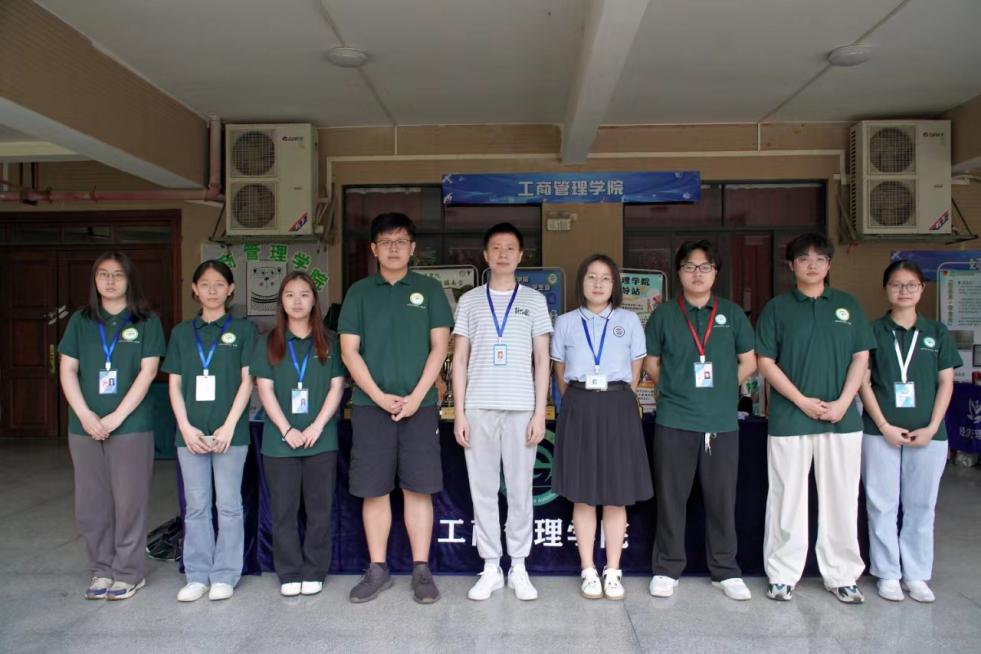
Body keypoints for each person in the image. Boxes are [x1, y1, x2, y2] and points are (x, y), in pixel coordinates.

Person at [339, 212, 454, 604]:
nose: (393, 248)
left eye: (401, 241)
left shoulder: (429, 290)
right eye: (386, 242)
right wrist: (378, 395)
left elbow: (440, 346)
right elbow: (349, 351)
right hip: (370, 407)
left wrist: (418, 395)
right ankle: (377, 569)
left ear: (413, 248)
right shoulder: (359, 293)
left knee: (418, 488)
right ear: (373, 249)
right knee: (374, 490)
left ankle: (421, 569)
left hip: (419, 407)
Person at [756, 232, 875, 604]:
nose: (812, 265)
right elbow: (765, 362)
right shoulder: (777, 308)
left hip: (841, 420)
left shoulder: (847, 305)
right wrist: (801, 401)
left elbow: (861, 357)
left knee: (842, 498)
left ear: (829, 265)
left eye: (819, 259)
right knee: (786, 498)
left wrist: (844, 402)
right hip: (791, 419)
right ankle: (782, 574)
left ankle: (842, 575)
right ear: (791, 265)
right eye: (804, 258)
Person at [644, 241, 756, 601]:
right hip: (674, 419)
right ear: (679, 272)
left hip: (721, 422)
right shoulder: (664, 315)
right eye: (690, 267)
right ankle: (667, 568)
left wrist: (723, 389)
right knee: (671, 498)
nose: (697, 273)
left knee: (721, 500)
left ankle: (725, 570)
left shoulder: (731, 314)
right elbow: (651, 363)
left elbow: (749, 361)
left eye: (705, 267)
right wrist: (675, 388)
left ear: (715, 273)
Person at [452, 222, 552, 601]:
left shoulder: (534, 301)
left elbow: (542, 359)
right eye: (496, 247)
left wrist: (540, 412)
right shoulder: (470, 300)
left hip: (521, 407)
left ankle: (519, 566)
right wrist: (460, 412)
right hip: (478, 406)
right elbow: (460, 360)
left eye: (510, 248)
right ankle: (491, 566)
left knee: (521, 489)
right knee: (483, 489)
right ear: (485, 255)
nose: (503, 254)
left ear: (521, 256)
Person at [58, 251, 165, 601]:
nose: (110, 280)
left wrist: (117, 416)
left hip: (131, 425)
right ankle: (101, 569)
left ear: (129, 279)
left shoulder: (146, 321)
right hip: (84, 427)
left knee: (129, 501)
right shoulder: (80, 321)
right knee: (91, 503)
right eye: (103, 274)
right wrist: (86, 415)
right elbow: (68, 369)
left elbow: (148, 371)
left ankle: (129, 572)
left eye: (117, 274)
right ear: (94, 279)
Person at [551, 254, 652, 600]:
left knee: (616, 492)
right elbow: (560, 372)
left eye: (605, 278)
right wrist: (579, 399)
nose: (598, 284)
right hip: (578, 404)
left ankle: (612, 569)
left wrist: (616, 395)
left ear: (614, 285)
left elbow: (636, 367)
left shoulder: (629, 320)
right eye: (591, 277)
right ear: (581, 282)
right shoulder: (566, 322)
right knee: (582, 492)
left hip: (617, 404)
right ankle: (588, 569)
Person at [859, 260, 959, 603]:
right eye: (896, 285)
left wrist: (932, 426)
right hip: (880, 432)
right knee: (881, 503)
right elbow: (863, 382)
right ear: (886, 289)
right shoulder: (872, 331)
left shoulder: (936, 332)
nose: (904, 291)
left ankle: (916, 574)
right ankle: (887, 572)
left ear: (922, 289)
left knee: (921, 505)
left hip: (929, 434)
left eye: (911, 285)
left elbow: (946, 382)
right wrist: (883, 425)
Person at [163, 260, 256, 602]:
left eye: (219, 284)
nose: (212, 290)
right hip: (190, 435)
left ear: (231, 289)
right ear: (194, 289)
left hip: (231, 434)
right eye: (205, 284)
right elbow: (174, 385)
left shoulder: (243, 331)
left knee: (229, 505)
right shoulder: (181, 333)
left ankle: (225, 574)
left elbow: (248, 381)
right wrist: (185, 427)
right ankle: (197, 575)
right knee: (196, 507)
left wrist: (230, 425)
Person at [251, 272, 346, 597]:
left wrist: (317, 426)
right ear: (281, 301)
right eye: (290, 294)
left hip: (322, 439)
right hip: (280, 443)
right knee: (284, 511)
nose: (297, 301)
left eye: (304, 294)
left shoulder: (330, 341)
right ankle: (289, 571)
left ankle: (315, 570)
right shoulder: (268, 342)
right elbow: (264, 389)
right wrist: (287, 429)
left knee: (320, 510)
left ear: (314, 300)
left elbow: (336, 387)